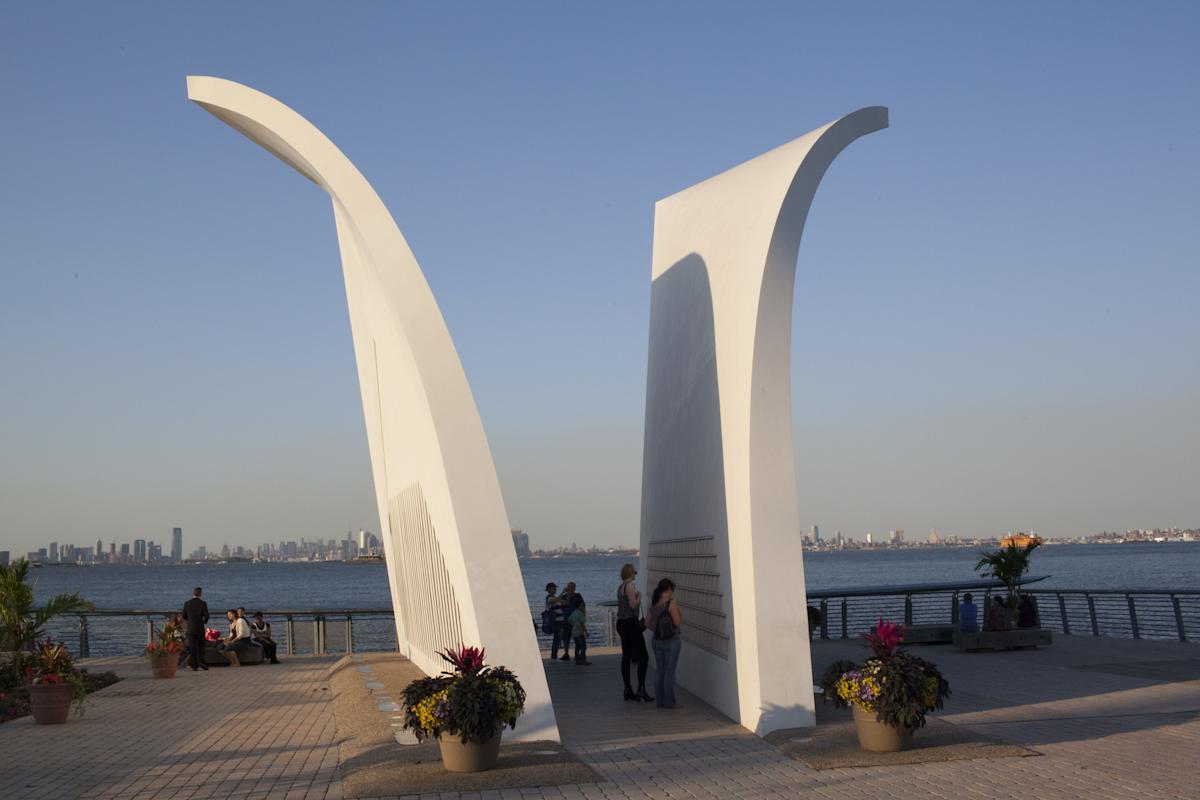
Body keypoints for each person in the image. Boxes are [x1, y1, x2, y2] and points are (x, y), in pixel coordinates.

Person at [616, 563, 652, 702]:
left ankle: (627, 689)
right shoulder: (630, 585)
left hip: (621, 623)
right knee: (643, 656)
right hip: (630, 623)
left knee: (626, 656)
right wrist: (639, 596)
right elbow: (633, 604)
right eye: (635, 573)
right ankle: (641, 689)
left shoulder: (620, 587)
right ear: (631, 573)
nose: (635, 575)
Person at [647, 578, 682, 709]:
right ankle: (669, 702)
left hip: (657, 641)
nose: (672, 593)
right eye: (672, 590)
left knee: (660, 671)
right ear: (668, 590)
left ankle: (659, 702)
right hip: (672, 641)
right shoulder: (671, 603)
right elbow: (677, 622)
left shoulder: (654, 604)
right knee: (669, 671)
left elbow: (646, 623)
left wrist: (657, 630)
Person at [181, 587, 209, 671]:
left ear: (193, 593)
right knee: (201, 646)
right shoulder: (203, 603)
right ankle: (202, 663)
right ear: (200, 594)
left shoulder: (187, 603)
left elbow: (184, 616)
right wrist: (204, 622)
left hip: (190, 628)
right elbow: (206, 616)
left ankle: (194, 665)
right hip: (200, 628)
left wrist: (189, 620)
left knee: (192, 647)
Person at [544, 583, 567, 661]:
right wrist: (562, 593)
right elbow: (555, 600)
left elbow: (565, 602)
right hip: (555, 622)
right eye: (554, 588)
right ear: (549, 589)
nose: (555, 590)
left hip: (560, 621)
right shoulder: (549, 598)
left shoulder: (555, 597)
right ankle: (554, 656)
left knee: (559, 638)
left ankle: (555, 655)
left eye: (555, 588)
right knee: (557, 639)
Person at [558, 582, 578, 661]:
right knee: (566, 638)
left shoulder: (577, 596)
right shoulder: (563, 596)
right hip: (566, 620)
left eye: (573, 587)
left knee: (577, 637)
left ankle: (578, 654)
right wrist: (563, 592)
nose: (571, 589)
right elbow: (558, 602)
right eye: (570, 587)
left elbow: (581, 606)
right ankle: (566, 653)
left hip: (575, 620)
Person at [568, 597, 590, 666]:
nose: (584, 607)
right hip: (580, 633)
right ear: (579, 606)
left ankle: (577, 659)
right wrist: (586, 632)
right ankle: (583, 660)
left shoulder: (574, 613)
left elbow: (569, 620)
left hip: (574, 633)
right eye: (583, 606)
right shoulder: (581, 614)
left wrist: (574, 624)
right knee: (583, 647)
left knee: (578, 646)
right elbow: (582, 624)